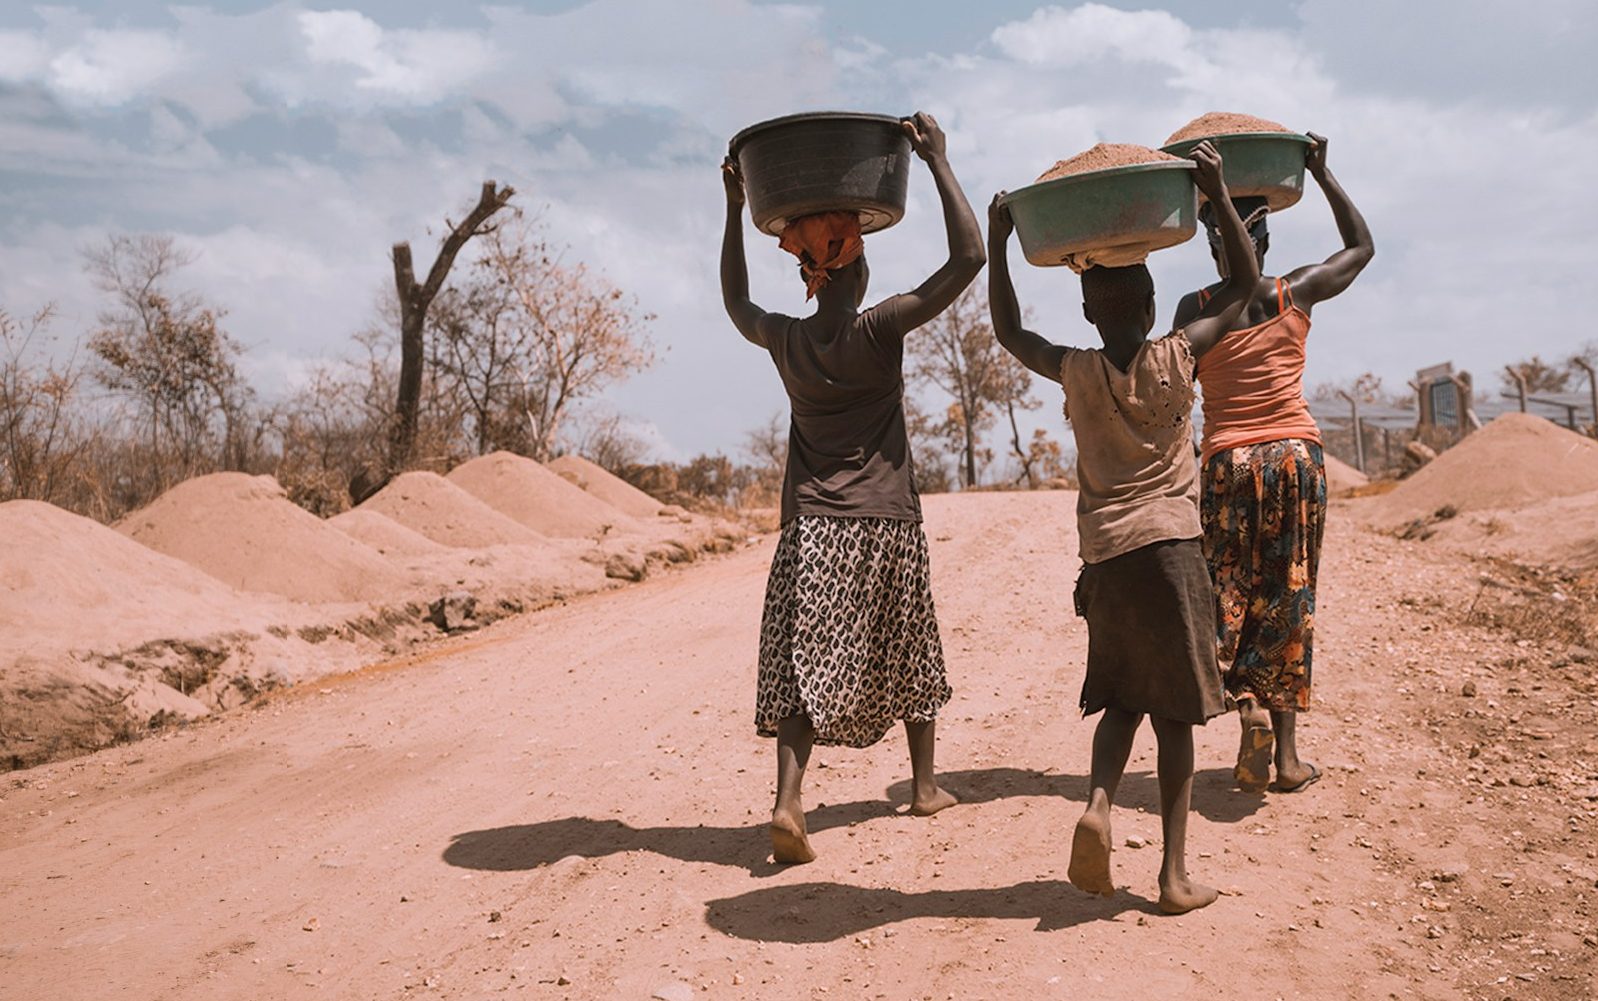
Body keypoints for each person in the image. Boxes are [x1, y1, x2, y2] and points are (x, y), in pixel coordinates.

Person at [987, 141, 1257, 914]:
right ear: (1148, 305)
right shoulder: (1180, 354)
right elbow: (1240, 283)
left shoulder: (1074, 369)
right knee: (1174, 714)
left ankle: (1099, 803)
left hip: (1106, 558)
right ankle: (1172, 876)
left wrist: (1004, 244)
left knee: (1120, 699)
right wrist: (1214, 191)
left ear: (1086, 310)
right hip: (1174, 550)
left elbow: (1008, 332)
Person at [720, 111, 985, 865]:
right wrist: (937, 161)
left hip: (813, 528)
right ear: (856, 271)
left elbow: (736, 303)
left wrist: (735, 209)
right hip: (886, 522)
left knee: (810, 663)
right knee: (912, 649)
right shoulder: (880, 328)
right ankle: (926, 784)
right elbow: (967, 260)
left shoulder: (788, 338)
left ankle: (787, 800)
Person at [1171, 133, 1374, 795]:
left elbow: (1174, 393)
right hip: (1295, 457)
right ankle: (1286, 758)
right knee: (1290, 598)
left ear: (1213, 240)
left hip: (1229, 460)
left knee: (1228, 597)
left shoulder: (1194, 310)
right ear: (1265, 241)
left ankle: (1246, 706)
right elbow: (1362, 247)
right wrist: (1321, 170)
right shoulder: (1296, 292)